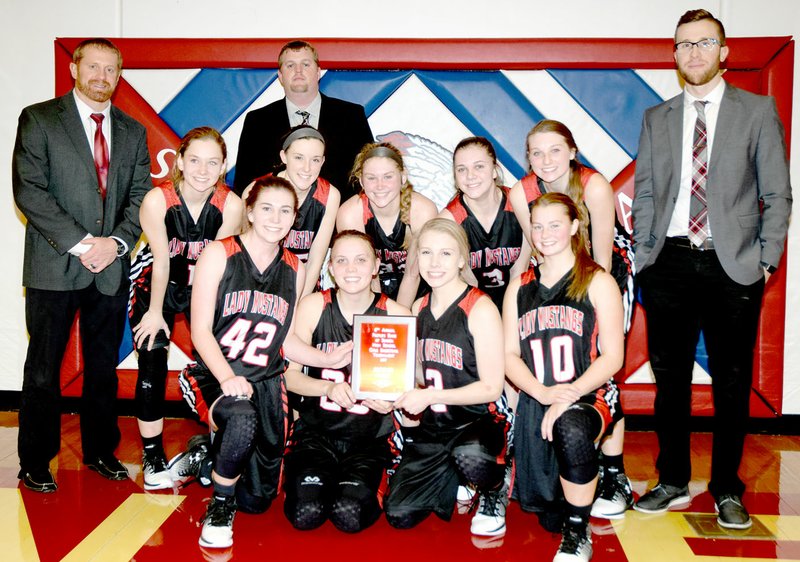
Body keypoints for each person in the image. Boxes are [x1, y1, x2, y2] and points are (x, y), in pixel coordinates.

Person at [632, 9, 791, 530]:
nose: (694, 53)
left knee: (731, 382)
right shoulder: (658, 117)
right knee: (670, 381)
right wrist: (644, 257)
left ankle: (727, 488)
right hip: (669, 264)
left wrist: (765, 260)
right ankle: (672, 479)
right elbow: (649, 193)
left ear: (724, 53)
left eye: (704, 43)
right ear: (674, 54)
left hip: (734, 266)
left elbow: (777, 194)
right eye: (684, 44)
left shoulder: (758, 110)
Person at [179, 177, 351, 548]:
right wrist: (226, 378)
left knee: (257, 502)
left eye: (286, 211)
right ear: (251, 212)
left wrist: (326, 357)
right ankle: (219, 508)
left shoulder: (295, 268)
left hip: (268, 384)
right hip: (215, 375)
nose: (276, 218)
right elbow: (200, 331)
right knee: (240, 419)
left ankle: (205, 456)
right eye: (267, 208)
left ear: (294, 218)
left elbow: (284, 339)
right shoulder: (219, 254)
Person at [12, 38, 151, 492]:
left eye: (111, 69)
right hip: (55, 264)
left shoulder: (132, 131)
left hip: (110, 265)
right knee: (43, 368)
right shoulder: (39, 118)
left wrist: (114, 243)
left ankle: (100, 451)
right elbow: (29, 190)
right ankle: (35, 461)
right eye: (93, 66)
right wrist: (82, 243)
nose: (101, 77)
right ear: (74, 69)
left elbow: (139, 199)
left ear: (119, 74)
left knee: (102, 368)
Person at [510, 120, 635, 520]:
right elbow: (533, 246)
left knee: (602, 365)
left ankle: (615, 473)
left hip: (598, 271)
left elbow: (601, 255)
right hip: (551, 269)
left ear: (572, 152)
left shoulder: (593, 185)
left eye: (554, 150)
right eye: (536, 153)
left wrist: (586, 299)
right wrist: (522, 292)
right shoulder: (521, 191)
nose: (545, 160)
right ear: (527, 158)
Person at [504, 193, 624, 562]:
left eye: (554, 224)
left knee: (571, 429)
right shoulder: (519, 286)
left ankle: (578, 532)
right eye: (537, 226)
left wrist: (567, 395)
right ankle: (587, 485)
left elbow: (613, 358)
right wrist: (542, 394)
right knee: (546, 514)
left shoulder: (598, 281)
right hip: (539, 397)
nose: (545, 234)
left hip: (589, 395)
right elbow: (509, 357)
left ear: (574, 226)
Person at [129, 127, 242, 490]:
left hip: (204, 288)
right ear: (179, 161)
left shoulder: (231, 204)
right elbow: (161, 261)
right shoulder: (157, 201)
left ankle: (215, 446)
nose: (203, 169)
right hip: (157, 283)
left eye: (212, 162)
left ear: (224, 165)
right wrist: (155, 313)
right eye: (194, 160)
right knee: (151, 356)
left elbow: (221, 266)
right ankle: (152, 452)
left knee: (215, 361)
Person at [385, 219, 512, 538]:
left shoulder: (480, 308)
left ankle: (495, 484)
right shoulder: (418, 307)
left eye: (445, 253)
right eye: (426, 253)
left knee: (470, 456)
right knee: (399, 514)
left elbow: (491, 387)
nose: (434, 262)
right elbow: (416, 373)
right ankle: (456, 476)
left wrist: (429, 396)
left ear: (460, 259)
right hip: (436, 427)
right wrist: (389, 389)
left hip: (479, 421)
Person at [283, 230, 410, 532]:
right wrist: (327, 387)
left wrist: (394, 401)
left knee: (349, 515)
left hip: (370, 440)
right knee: (306, 513)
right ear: (330, 267)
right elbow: (291, 378)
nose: (351, 269)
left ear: (376, 265)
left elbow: (411, 387)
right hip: (317, 433)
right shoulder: (314, 306)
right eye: (341, 260)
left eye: (360, 260)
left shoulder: (395, 314)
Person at [233, 40, 374, 201]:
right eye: (290, 65)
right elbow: (244, 182)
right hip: (275, 221)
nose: (298, 70)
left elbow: (370, 173)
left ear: (318, 72)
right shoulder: (257, 121)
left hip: (339, 220)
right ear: (280, 76)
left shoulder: (351, 116)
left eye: (306, 64)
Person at [336, 142, 438, 308]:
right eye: (371, 178)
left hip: (417, 297)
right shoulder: (350, 214)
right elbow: (368, 276)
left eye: (388, 177)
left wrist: (399, 319)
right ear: (361, 180)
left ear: (403, 177)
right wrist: (381, 315)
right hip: (370, 295)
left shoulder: (422, 211)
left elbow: (413, 274)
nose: (380, 185)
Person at [241, 125, 340, 296]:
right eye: (299, 158)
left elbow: (315, 260)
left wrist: (298, 304)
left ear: (323, 161)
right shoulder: (256, 190)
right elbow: (244, 254)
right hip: (256, 284)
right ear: (284, 156)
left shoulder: (329, 195)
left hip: (303, 285)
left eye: (315, 160)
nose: (307, 168)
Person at [440, 136, 532, 310]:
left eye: (479, 166)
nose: (470, 176)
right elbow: (467, 282)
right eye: (461, 169)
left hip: (520, 296)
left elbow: (519, 270)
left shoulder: (520, 205)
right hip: (474, 302)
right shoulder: (449, 220)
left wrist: (509, 317)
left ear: (495, 170)